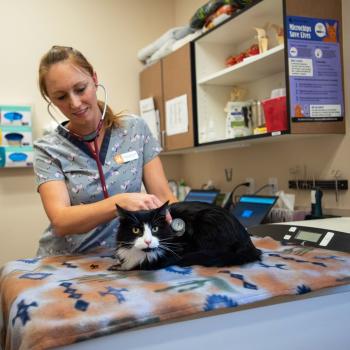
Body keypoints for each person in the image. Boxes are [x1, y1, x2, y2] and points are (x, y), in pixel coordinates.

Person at [33, 45, 177, 256]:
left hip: (129, 258)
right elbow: (61, 221)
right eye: (61, 97)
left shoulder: (135, 130)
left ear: (94, 78)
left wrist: (193, 223)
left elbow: (164, 197)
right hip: (67, 262)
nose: (75, 103)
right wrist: (119, 202)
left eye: (80, 89)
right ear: (50, 99)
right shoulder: (47, 150)